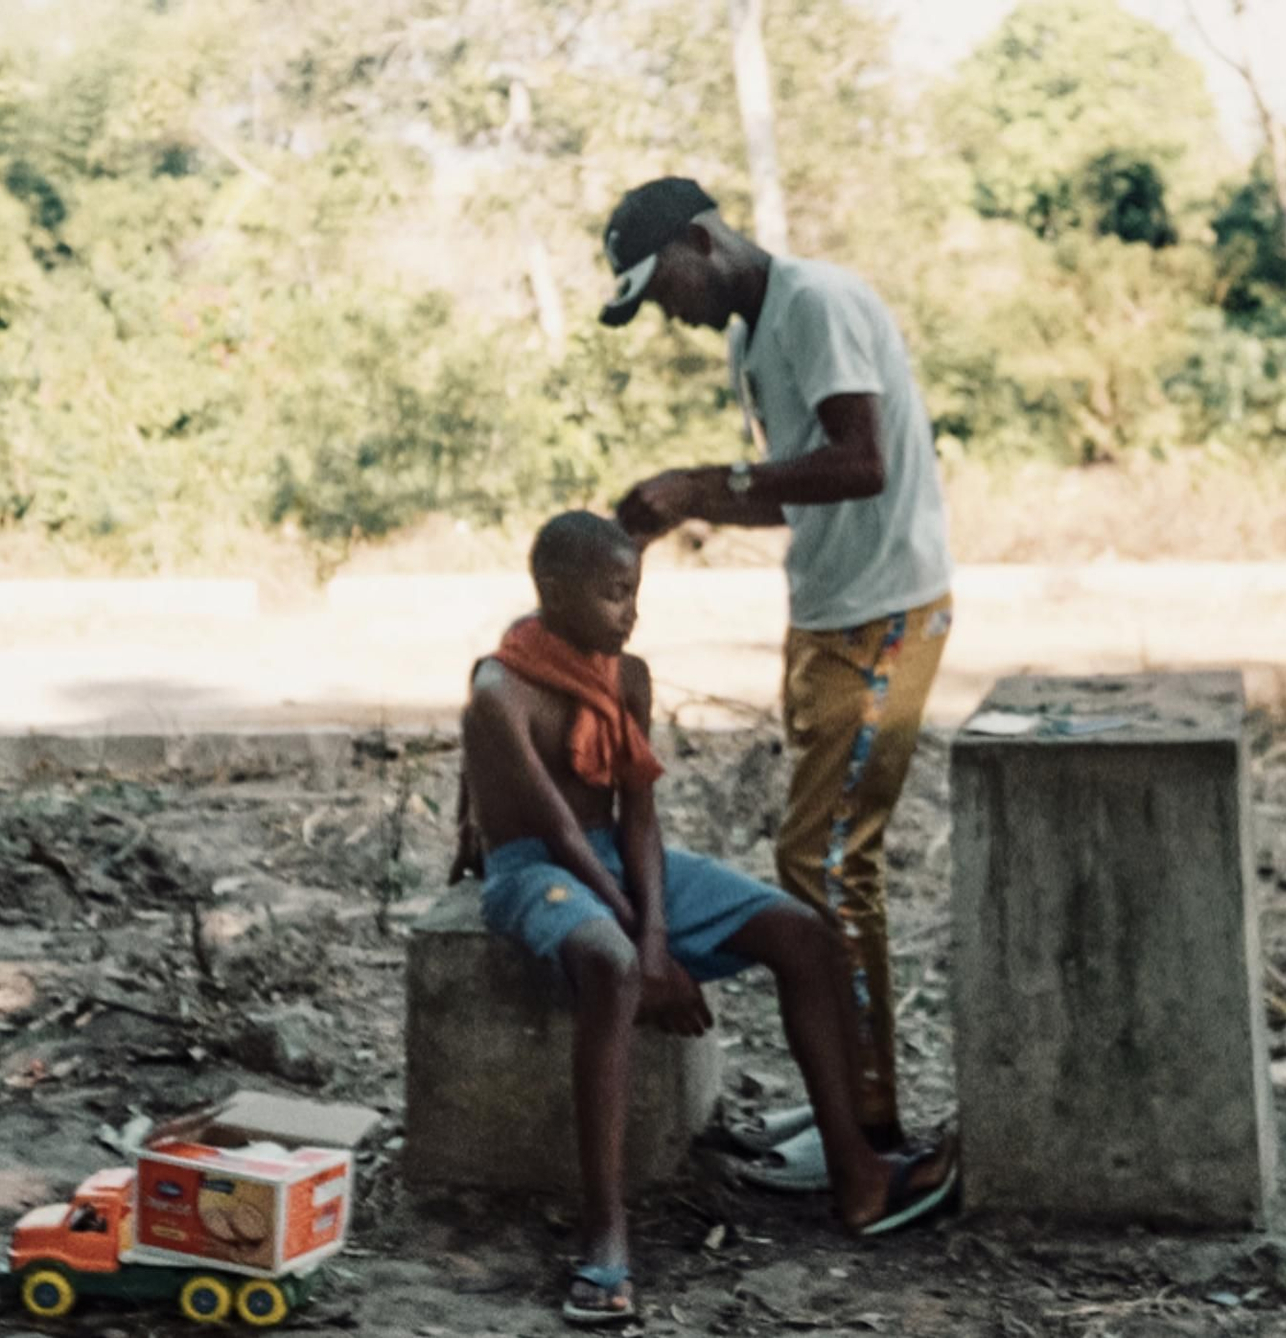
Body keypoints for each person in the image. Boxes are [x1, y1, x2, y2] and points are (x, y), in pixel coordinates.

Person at [453, 510, 957, 1327]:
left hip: (616, 857)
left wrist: (656, 934)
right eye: (615, 595)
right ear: (553, 592)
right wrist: (640, 952)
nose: (630, 613)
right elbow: (551, 831)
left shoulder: (628, 677)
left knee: (804, 936)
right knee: (610, 968)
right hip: (535, 871)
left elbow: (639, 821)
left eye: (635, 593)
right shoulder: (497, 693)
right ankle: (606, 1234)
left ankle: (858, 1174)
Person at [604, 177, 952, 1159]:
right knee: (814, 864)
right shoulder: (748, 336)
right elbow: (798, 493)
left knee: (827, 865)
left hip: (885, 614)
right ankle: (845, 1092)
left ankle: (872, 1129)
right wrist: (690, 505)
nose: (667, 312)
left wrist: (714, 481)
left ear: (700, 241)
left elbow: (861, 461)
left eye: (660, 285)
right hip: (825, 613)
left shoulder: (817, 302)